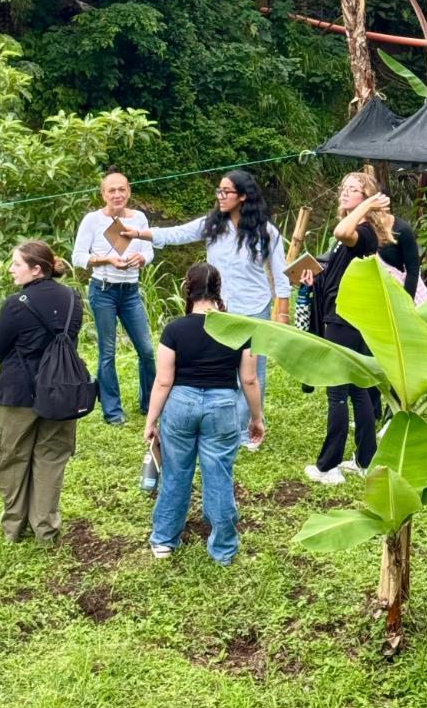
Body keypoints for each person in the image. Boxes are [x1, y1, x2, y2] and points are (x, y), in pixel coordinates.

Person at [120, 170, 289, 446]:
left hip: (254, 308)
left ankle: (246, 432)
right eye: (218, 191)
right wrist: (139, 233)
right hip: (220, 309)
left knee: (252, 373)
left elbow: (281, 275)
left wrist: (282, 313)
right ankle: (224, 424)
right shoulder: (212, 225)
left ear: (243, 196)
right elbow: (177, 233)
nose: (220, 196)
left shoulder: (266, 231)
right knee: (222, 367)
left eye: (226, 192)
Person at [144, 263, 264, 564]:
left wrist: (151, 420)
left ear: (188, 287)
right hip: (222, 407)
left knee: (175, 473)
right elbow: (249, 379)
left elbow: (163, 380)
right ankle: (223, 549)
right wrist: (256, 418)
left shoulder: (174, 329)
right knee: (219, 475)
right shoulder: (239, 329)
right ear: (218, 289)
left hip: (180, 404)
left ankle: (163, 541)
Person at [301, 172, 394, 486]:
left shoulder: (363, 234)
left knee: (337, 393)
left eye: (353, 191)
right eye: (344, 189)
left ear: (365, 199)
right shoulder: (356, 235)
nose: (344, 194)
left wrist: (366, 205)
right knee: (357, 390)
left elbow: (342, 230)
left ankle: (328, 467)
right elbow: (337, 273)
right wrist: (315, 278)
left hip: (344, 319)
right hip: (343, 315)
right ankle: (366, 460)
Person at [0, 240, 83, 546]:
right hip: (62, 391)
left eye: (16, 264)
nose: (11, 269)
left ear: (36, 269)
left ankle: (14, 528)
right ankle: (45, 529)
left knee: (13, 457)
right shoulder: (73, 298)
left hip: (19, 393)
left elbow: (0, 348)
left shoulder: (16, 305)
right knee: (51, 457)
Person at [71, 169, 156, 425]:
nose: (117, 195)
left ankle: (150, 403)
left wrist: (141, 258)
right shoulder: (92, 220)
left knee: (147, 350)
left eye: (122, 189)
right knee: (107, 352)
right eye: (112, 190)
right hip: (103, 290)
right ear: (103, 194)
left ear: (129, 191)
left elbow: (149, 251)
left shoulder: (139, 218)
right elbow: (78, 257)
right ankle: (113, 412)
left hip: (130, 291)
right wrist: (107, 259)